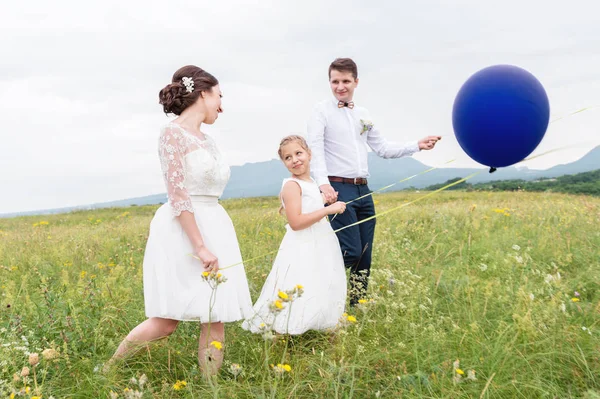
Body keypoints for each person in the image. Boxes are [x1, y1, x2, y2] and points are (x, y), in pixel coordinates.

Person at [106, 65, 253, 376]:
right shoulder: (172, 134)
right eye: (219, 96)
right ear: (203, 93)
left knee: (216, 314)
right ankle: (109, 371)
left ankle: (209, 388)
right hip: (182, 230)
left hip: (216, 224)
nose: (222, 106)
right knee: (166, 320)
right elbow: (178, 194)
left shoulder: (209, 141)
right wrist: (199, 246)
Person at [307, 58, 441, 305]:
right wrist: (323, 185)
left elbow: (382, 147)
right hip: (338, 189)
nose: (340, 86)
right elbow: (314, 148)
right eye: (335, 81)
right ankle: (315, 290)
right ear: (329, 82)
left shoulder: (363, 115)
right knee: (351, 250)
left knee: (365, 255)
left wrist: (417, 145)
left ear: (356, 82)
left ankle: (356, 307)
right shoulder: (321, 111)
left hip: (363, 189)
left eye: (346, 81)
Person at [242, 135, 347, 334]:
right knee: (300, 282)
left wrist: (322, 200)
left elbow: (309, 207)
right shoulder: (291, 185)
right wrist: (328, 210)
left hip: (321, 240)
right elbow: (296, 222)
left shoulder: (311, 182)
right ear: (284, 163)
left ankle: (320, 324)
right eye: (288, 157)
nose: (295, 160)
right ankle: (286, 328)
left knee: (323, 280)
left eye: (298, 153)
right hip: (303, 243)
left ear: (309, 154)